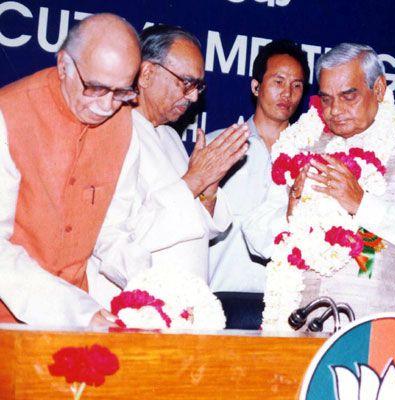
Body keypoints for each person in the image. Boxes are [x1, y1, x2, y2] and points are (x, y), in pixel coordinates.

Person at [243, 43, 395, 328]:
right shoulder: (301, 143)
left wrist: (362, 205)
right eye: (326, 99)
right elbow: (255, 237)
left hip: (382, 337)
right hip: (301, 329)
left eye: (349, 96)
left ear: (380, 89)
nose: (335, 110)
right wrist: (290, 213)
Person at [87, 25, 249, 306]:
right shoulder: (113, 131)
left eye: (198, 86)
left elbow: (191, 228)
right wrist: (194, 181)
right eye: (185, 83)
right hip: (136, 307)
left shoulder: (170, 136)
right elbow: (112, 238)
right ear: (147, 74)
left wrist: (208, 191)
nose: (193, 97)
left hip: (185, 309)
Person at [0, 14, 140, 327]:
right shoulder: (7, 114)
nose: (106, 107)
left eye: (121, 92)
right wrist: (76, 311)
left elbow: (113, 232)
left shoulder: (124, 125)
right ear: (64, 65)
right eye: (95, 88)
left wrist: (156, 287)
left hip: (76, 319)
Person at [208, 39, 309, 295]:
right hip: (217, 298)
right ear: (256, 86)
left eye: (296, 85)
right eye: (278, 82)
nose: (287, 93)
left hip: (287, 303)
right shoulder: (219, 145)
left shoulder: (309, 156)